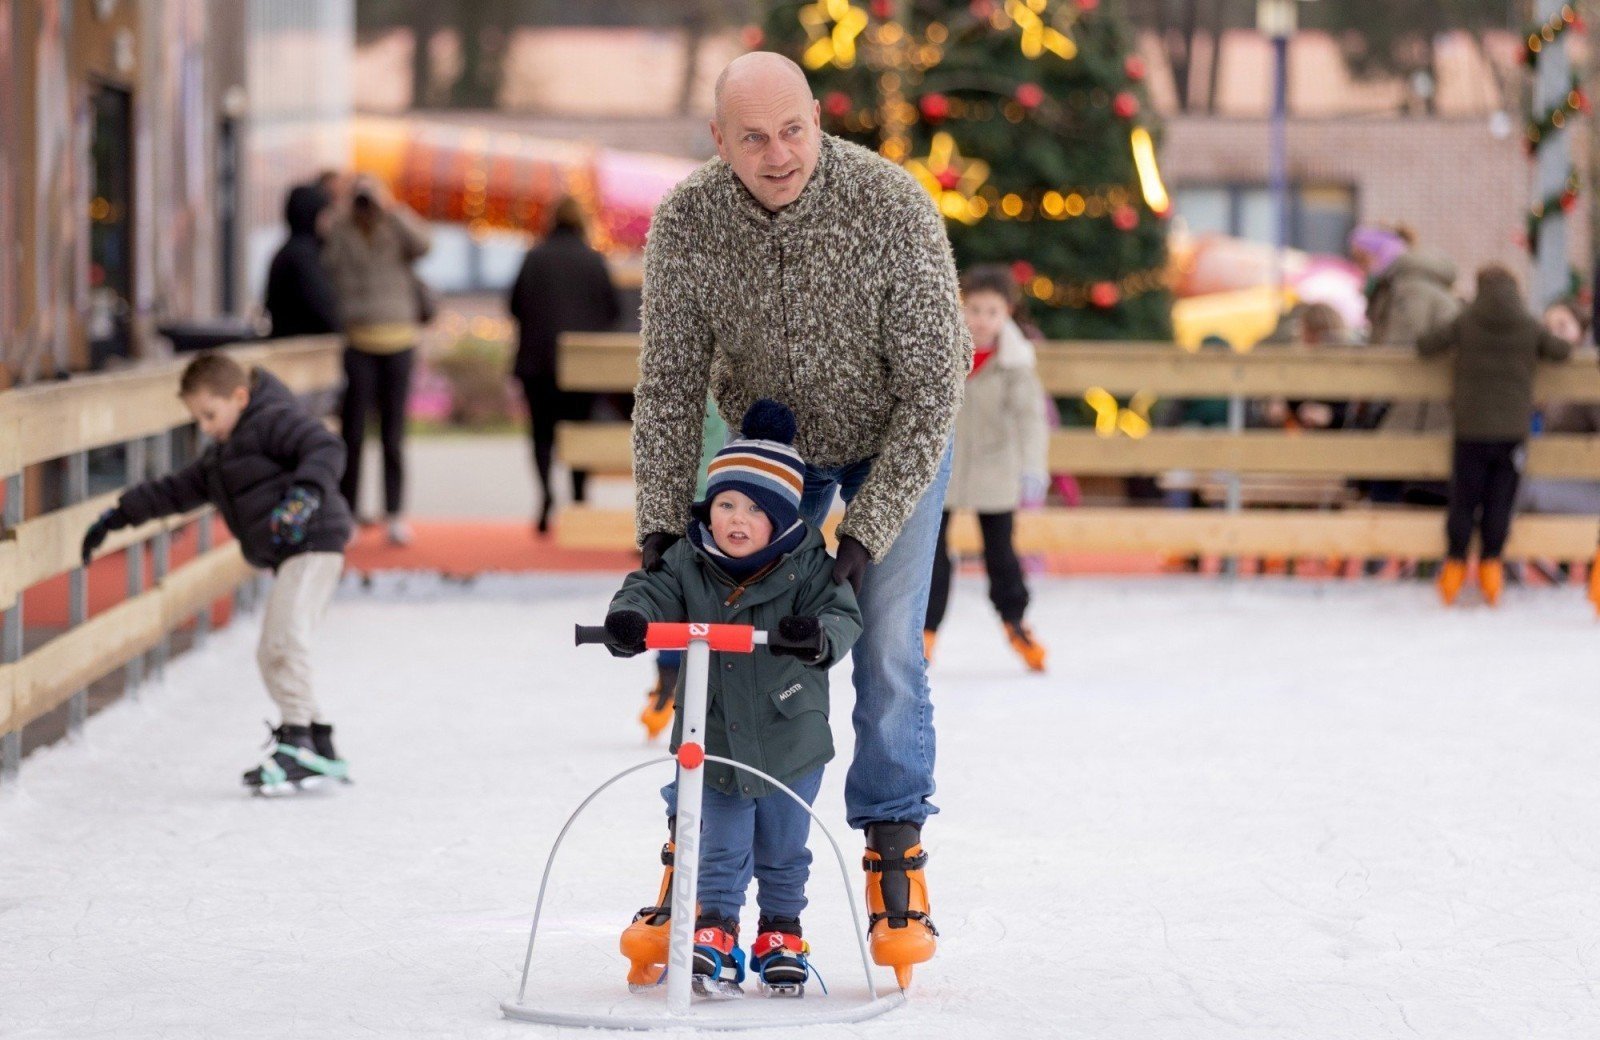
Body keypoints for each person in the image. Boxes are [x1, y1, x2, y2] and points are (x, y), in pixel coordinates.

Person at [628, 52, 969, 984]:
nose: (779, 155)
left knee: (886, 646)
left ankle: (894, 843)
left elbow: (937, 384)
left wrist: (866, 534)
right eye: (754, 138)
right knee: (720, 641)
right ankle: (693, 851)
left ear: (817, 117)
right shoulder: (688, 222)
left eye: (792, 130)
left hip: (893, 437)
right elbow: (668, 388)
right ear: (718, 140)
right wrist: (660, 527)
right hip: (768, 457)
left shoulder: (890, 205)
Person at [605, 400, 862, 994]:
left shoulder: (809, 567)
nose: (736, 520)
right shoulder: (688, 560)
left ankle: (781, 930)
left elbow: (842, 614)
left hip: (788, 734)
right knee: (716, 843)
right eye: (725, 504)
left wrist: (817, 635)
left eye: (754, 509)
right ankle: (715, 927)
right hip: (713, 733)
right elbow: (650, 589)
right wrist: (629, 618)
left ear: (782, 517)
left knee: (782, 847)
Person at [80, 353, 354, 792]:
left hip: (315, 540)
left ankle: (299, 742)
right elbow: (174, 492)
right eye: (197, 419)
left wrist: (304, 496)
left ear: (240, 397)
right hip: (296, 552)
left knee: (283, 642)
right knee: (275, 648)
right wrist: (117, 516)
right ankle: (317, 740)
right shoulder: (222, 459)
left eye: (210, 414)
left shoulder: (272, 421)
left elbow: (325, 446)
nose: (205, 427)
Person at [1418, 265, 1573, 606]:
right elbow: (1561, 352)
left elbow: (1426, 346)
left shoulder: (1466, 320)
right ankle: (1491, 572)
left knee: (1464, 500)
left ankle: (1454, 570)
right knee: (1500, 500)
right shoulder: (1528, 324)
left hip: (1470, 429)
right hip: (1512, 432)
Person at [923, 265, 1049, 671]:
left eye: (992, 312)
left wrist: (1033, 467)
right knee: (932, 555)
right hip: (942, 469)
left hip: (996, 471)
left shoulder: (1015, 362)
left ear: (1007, 313)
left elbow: (1030, 418)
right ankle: (924, 633)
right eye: (974, 309)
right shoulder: (941, 351)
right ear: (960, 307)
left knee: (1002, 555)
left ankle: (1016, 622)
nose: (981, 320)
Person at [323, 174, 432, 546]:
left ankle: (395, 514)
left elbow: (424, 245)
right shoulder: (342, 229)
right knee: (352, 433)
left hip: (399, 339)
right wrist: (341, 215)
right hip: (359, 339)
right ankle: (348, 513)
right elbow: (328, 263)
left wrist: (393, 208)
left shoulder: (394, 226)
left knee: (393, 434)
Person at [508, 197, 623, 534]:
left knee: (541, 434)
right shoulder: (593, 259)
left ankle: (545, 495)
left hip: (537, 363)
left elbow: (514, 305)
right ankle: (578, 498)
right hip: (582, 366)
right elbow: (613, 311)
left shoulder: (534, 257)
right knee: (580, 431)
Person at [263, 183, 340, 339]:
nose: (330, 222)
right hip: (301, 346)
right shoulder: (302, 256)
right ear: (314, 216)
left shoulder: (292, 251)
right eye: (325, 215)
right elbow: (324, 309)